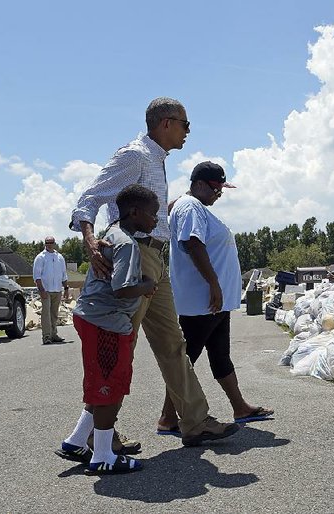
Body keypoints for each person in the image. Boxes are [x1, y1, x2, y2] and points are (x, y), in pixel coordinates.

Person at [70, 97, 239, 449]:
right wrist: (89, 239)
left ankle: (194, 421)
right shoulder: (135, 155)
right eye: (185, 124)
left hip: (156, 260)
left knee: (172, 344)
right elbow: (90, 198)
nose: (188, 131)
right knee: (116, 348)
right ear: (165, 122)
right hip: (134, 258)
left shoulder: (156, 161)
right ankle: (98, 436)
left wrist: (169, 207)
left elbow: (150, 211)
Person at [158, 162, 273, 435]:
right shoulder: (191, 207)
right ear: (198, 184)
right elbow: (192, 243)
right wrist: (213, 283)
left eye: (221, 189)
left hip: (213, 302)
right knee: (186, 360)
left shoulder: (189, 205)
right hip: (202, 301)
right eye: (215, 188)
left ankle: (240, 406)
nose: (218, 194)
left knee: (220, 355)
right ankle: (167, 417)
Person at [56, 184, 158, 474]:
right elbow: (123, 289)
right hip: (106, 322)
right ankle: (103, 456)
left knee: (104, 382)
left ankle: (76, 441)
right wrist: (147, 285)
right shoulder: (126, 243)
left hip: (97, 319)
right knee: (108, 388)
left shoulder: (113, 233)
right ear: (135, 212)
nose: (155, 221)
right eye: (152, 214)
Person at [32, 236, 69, 345]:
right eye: (47, 242)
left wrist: (66, 288)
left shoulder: (60, 257)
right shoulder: (40, 257)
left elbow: (63, 274)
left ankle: (54, 334)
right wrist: (41, 289)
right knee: (46, 314)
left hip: (57, 289)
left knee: (54, 314)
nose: (49, 244)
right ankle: (46, 336)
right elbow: (37, 276)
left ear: (54, 243)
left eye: (51, 242)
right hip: (46, 289)